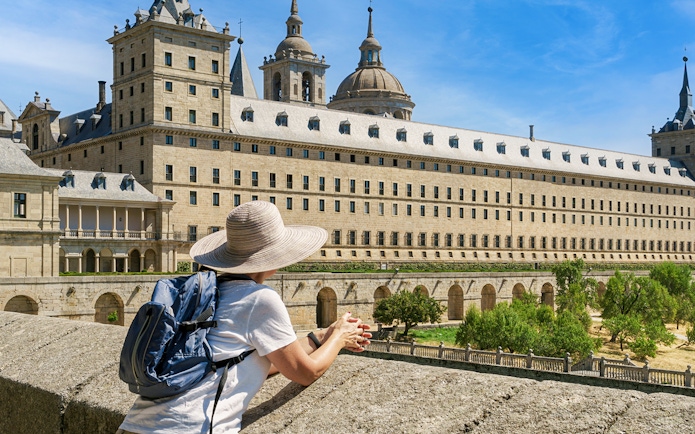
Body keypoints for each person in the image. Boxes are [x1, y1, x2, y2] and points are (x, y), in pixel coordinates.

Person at [118, 201, 371, 433]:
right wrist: (339, 337)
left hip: (134, 425)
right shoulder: (259, 299)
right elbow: (306, 374)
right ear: (274, 256)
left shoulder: (210, 292)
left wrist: (319, 337)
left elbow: (258, 362)